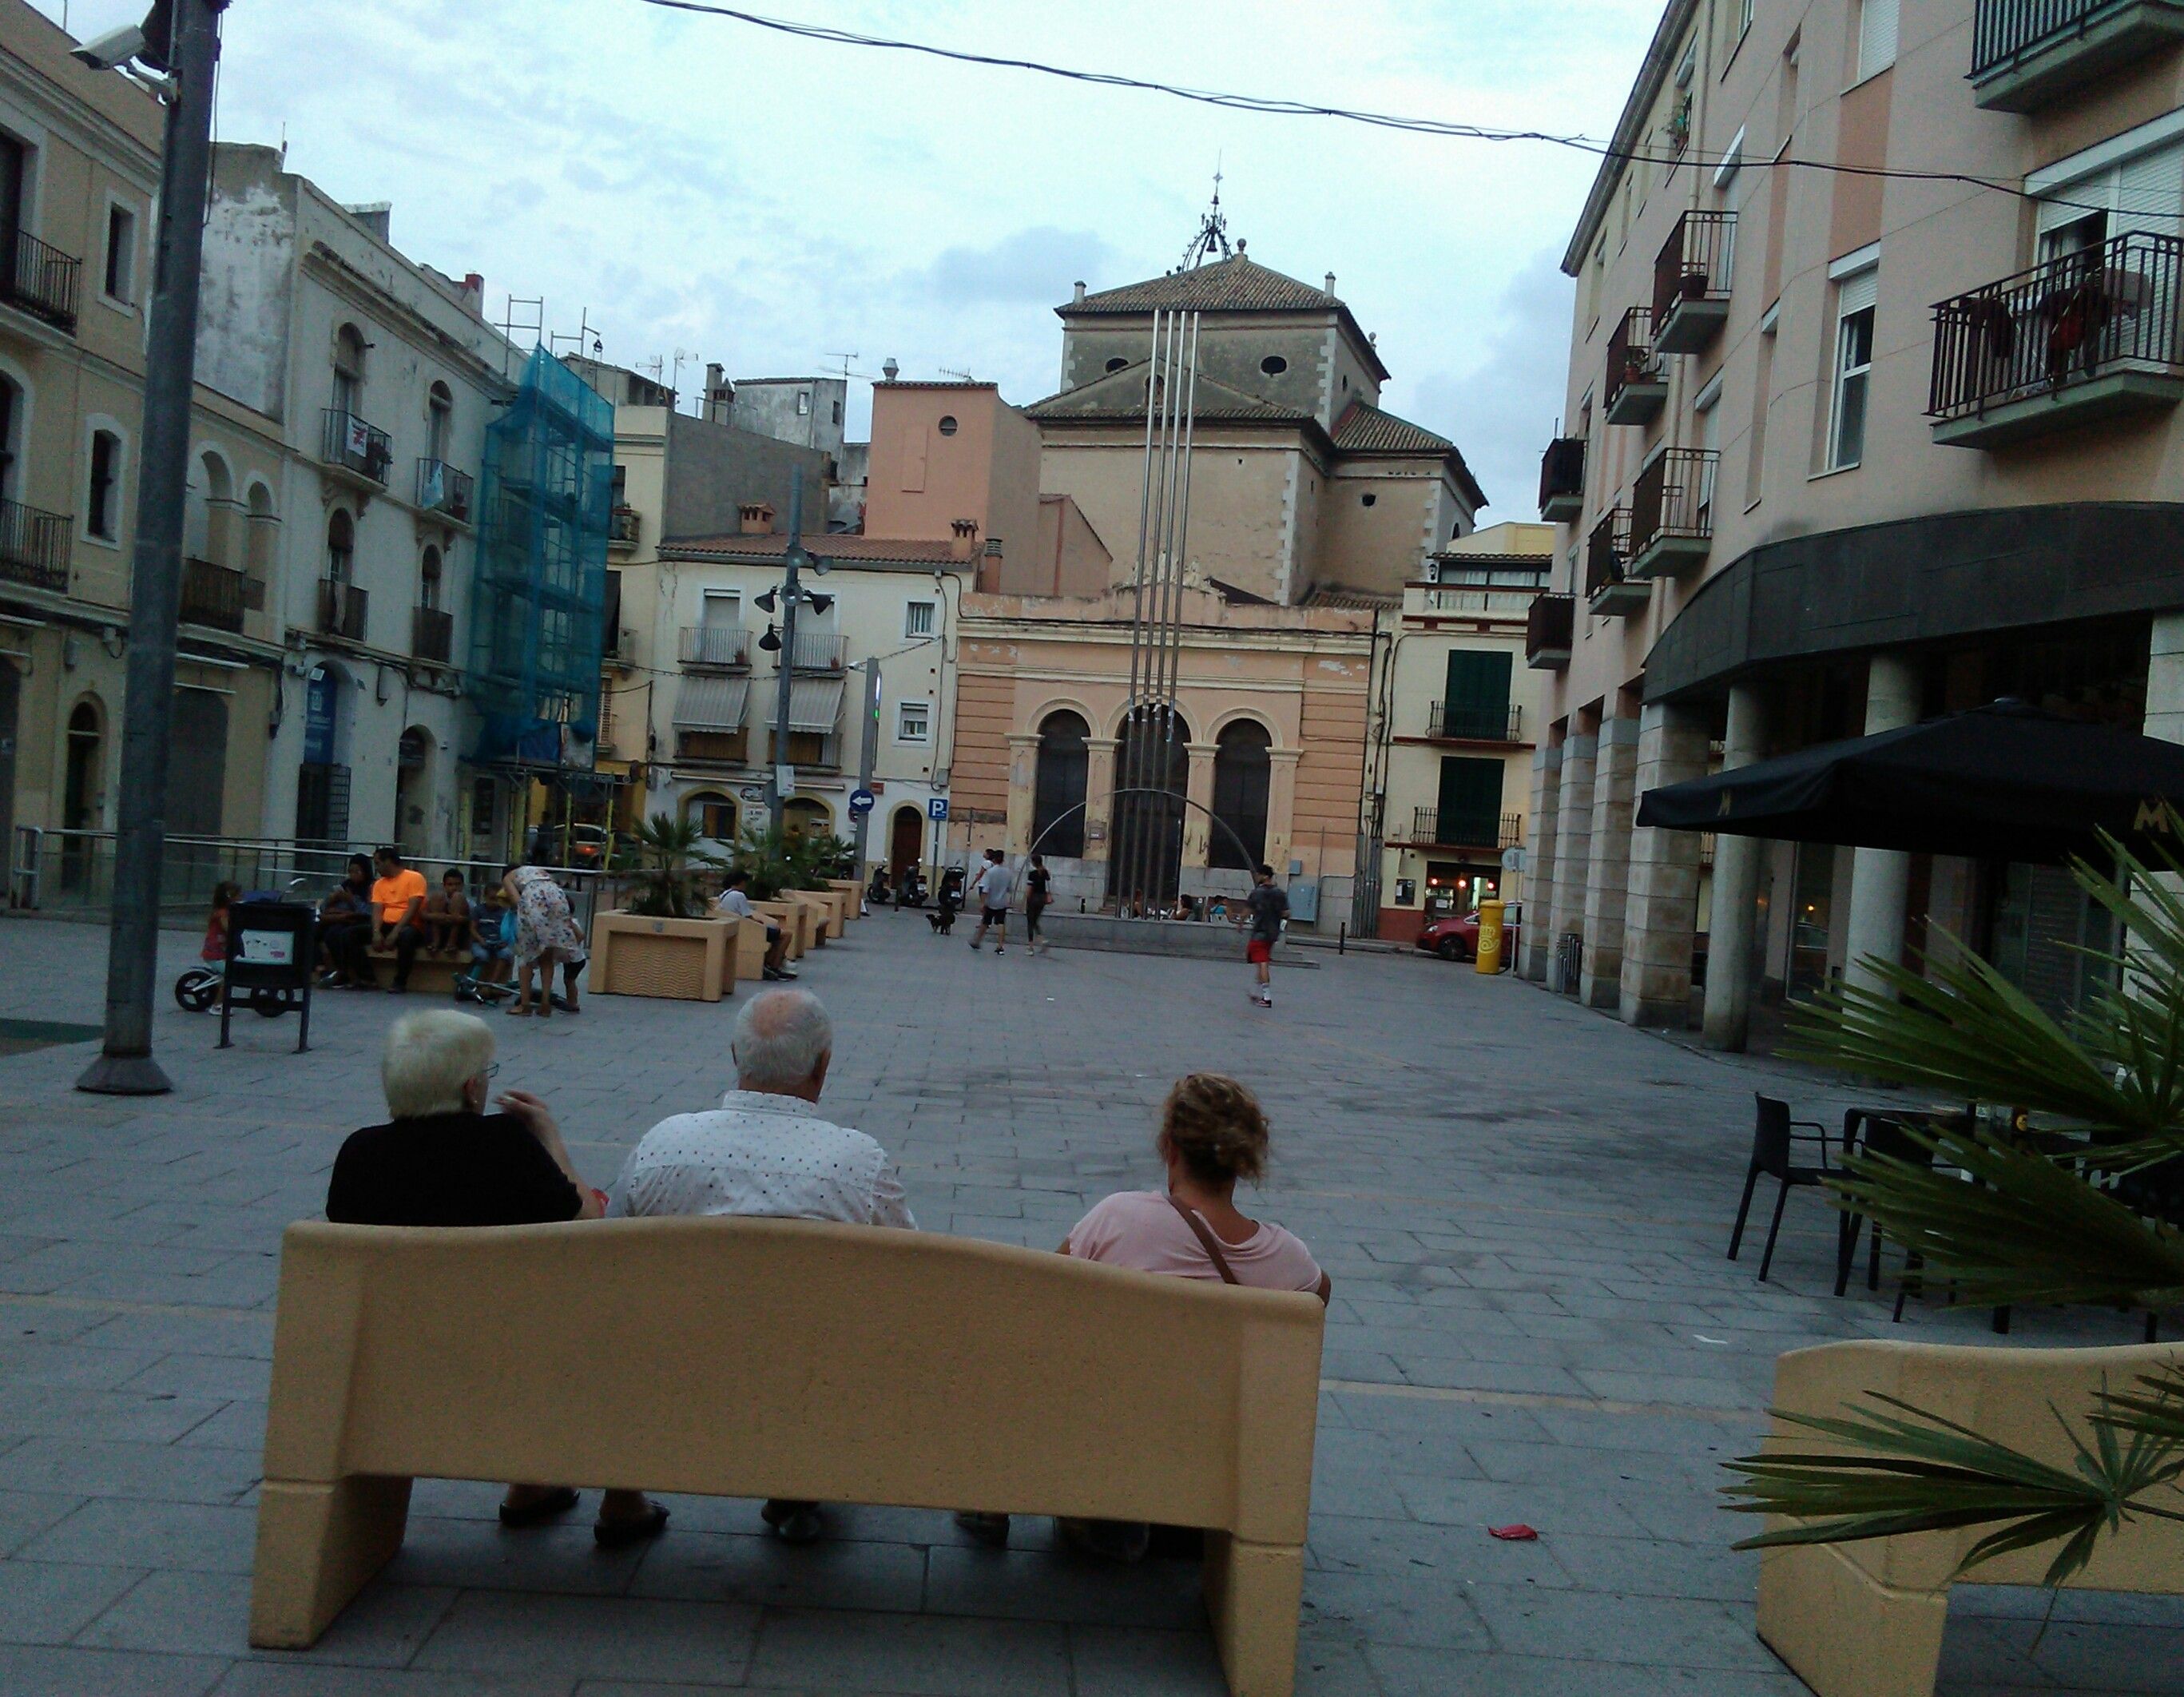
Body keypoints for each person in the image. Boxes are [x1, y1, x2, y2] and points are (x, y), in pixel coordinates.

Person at [324, 1010, 668, 1548]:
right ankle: (621, 1499)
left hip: (395, 1369)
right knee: (615, 1318)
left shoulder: (359, 1154)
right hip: (524, 1362)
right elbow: (586, 1225)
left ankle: (531, 1486)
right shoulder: (505, 1143)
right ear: (470, 1086)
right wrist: (550, 1137)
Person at [956, 1073, 1328, 1556]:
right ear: (1243, 1159)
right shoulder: (1287, 1257)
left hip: (1113, 1435)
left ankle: (1031, 1502)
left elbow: (1043, 1301)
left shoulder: (1117, 1218)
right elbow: (1318, 1299)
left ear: (1169, 1147)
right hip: (1210, 1455)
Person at [613, 989, 913, 1546]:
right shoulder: (859, 1163)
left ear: (735, 1056)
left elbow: (609, 1257)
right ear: (822, 1066)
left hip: (669, 1367)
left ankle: (621, 1493)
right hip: (807, 1373)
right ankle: (798, 1479)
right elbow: (909, 1277)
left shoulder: (663, 1144)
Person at [502, 862, 582, 1019]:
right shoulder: (539, 872)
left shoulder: (509, 878)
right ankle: (545, 1005)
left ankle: (525, 1005)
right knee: (547, 953)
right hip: (557, 897)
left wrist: (522, 921)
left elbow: (517, 901)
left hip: (534, 899)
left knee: (525, 957)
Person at [367, 847, 430, 994]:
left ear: (388, 862)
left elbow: (413, 909)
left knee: (406, 937)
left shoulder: (414, 878)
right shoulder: (379, 884)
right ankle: (366, 977)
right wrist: (376, 932)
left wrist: (395, 932)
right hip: (386, 924)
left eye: (378, 863)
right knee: (351, 934)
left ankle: (400, 981)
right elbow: (377, 910)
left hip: (410, 925)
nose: (376, 868)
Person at [715, 868, 794, 981]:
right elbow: (748, 916)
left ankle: (768, 963)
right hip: (749, 929)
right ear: (742, 882)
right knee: (787, 935)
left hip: (739, 926)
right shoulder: (739, 896)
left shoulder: (724, 895)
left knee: (777, 936)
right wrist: (759, 923)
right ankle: (775, 966)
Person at [318, 856, 376, 988]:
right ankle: (320, 969)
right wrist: (332, 899)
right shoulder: (344, 885)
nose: (353, 875)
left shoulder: (372, 887)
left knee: (335, 934)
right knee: (311, 930)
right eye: (351, 871)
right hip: (337, 918)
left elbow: (368, 911)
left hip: (357, 921)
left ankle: (344, 972)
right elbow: (323, 907)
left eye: (357, 871)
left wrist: (351, 899)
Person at [1244, 863, 1288, 1009]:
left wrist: (1240, 923)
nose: (1257, 877)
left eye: (1259, 874)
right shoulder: (1280, 893)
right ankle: (1256, 992)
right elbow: (1286, 912)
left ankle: (1267, 997)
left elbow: (1247, 910)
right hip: (1272, 933)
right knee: (1261, 961)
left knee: (1262, 962)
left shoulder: (1257, 893)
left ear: (1265, 876)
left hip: (1259, 932)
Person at [967, 848, 1012, 954]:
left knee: (985, 922)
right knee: (1001, 923)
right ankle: (1000, 946)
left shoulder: (990, 872)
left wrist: (982, 903)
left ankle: (977, 941)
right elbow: (1009, 889)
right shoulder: (1008, 872)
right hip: (1002, 902)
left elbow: (985, 889)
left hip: (991, 902)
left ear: (994, 859)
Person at [421, 871, 471, 956]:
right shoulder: (436, 899)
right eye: (450, 885)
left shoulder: (469, 902)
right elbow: (422, 915)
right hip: (437, 931)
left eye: (457, 884)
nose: (454, 888)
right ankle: (435, 942)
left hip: (458, 936)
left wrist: (456, 918)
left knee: (457, 897)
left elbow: (471, 919)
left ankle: (451, 944)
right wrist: (439, 917)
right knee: (437, 896)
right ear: (444, 885)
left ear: (463, 885)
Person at [1023, 854, 1051, 955]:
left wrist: (1025, 900)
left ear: (1034, 862)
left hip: (1033, 899)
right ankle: (1042, 940)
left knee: (1030, 922)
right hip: (1042, 899)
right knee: (1035, 921)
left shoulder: (1032, 874)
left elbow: (1030, 889)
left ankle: (1030, 947)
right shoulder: (1045, 872)